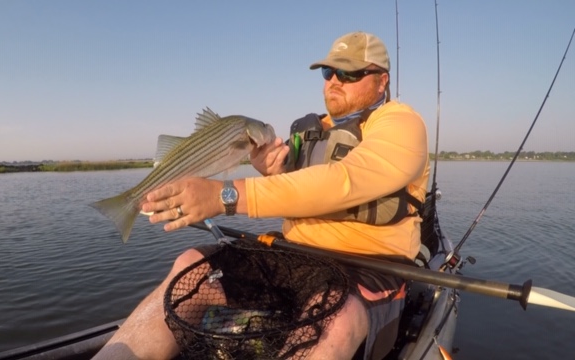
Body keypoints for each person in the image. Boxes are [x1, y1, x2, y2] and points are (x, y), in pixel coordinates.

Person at [93, 31, 429, 360]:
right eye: (329, 71)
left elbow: (346, 180)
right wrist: (273, 173)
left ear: (382, 81)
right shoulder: (311, 130)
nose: (334, 81)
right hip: (294, 254)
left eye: (350, 72)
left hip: (368, 264)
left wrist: (226, 194)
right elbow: (302, 191)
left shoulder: (401, 123)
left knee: (335, 320)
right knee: (191, 264)